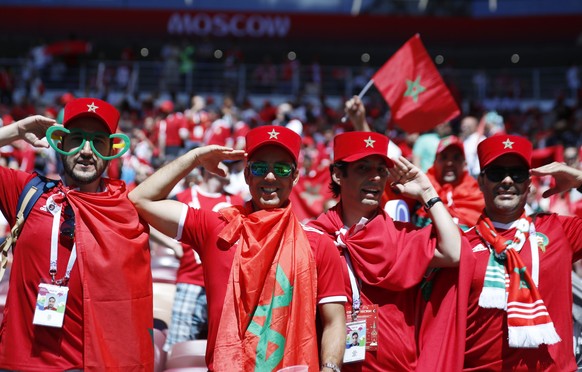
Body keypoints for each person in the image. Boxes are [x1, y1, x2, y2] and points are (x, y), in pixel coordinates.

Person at [129, 125, 347, 372]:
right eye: (260, 168)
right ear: (247, 175)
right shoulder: (217, 228)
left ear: (295, 176)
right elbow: (140, 199)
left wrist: (330, 368)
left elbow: (334, 322)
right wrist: (195, 158)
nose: (271, 177)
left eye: (282, 168)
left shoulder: (319, 245)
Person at [0, 98, 153, 369]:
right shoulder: (28, 191)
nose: (86, 150)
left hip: (89, 363)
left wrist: (195, 158)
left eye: (98, 142)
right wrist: (16, 132)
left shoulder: (127, 205)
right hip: (19, 360)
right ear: (60, 143)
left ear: (112, 149)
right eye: (77, 139)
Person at [308, 131, 464, 371]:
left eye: (381, 170)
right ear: (338, 175)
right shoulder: (316, 237)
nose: (375, 178)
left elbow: (455, 253)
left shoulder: (400, 235)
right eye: (363, 169)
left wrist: (427, 193)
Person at [462, 134, 582, 370]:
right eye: (496, 173)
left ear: (529, 183)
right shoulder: (460, 244)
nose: (507, 180)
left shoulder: (558, 230)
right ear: (481, 181)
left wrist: (580, 180)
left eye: (517, 173)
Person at [163, 167, 244, 352]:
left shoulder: (237, 202)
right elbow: (144, 212)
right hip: (190, 281)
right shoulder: (182, 197)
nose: (230, 166)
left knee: (228, 349)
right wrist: (173, 245)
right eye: (223, 161)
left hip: (227, 286)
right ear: (208, 167)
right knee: (178, 348)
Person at [413, 135, 485, 231]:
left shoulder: (477, 192)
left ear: (464, 164)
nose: (449, 163)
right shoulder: (420, 187)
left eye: (456, 158)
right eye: (444, 157)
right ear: (435, 162)